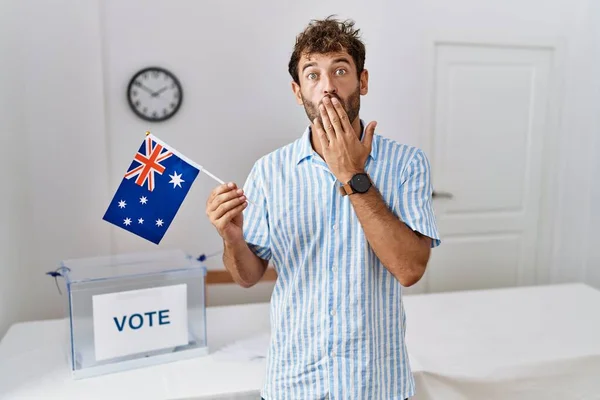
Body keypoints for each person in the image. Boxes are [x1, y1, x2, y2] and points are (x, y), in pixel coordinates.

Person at [206, 15, 441, 400]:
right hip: (293, 381)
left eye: (341, 70)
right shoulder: (269, 171)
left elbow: (410, 269)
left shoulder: (406, 164)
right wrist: (232, 239)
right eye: (313, 75)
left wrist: (352, 174)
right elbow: (248, 275)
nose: (328, 87)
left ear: (362, 81)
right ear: (298, 92)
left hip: (375, 383)